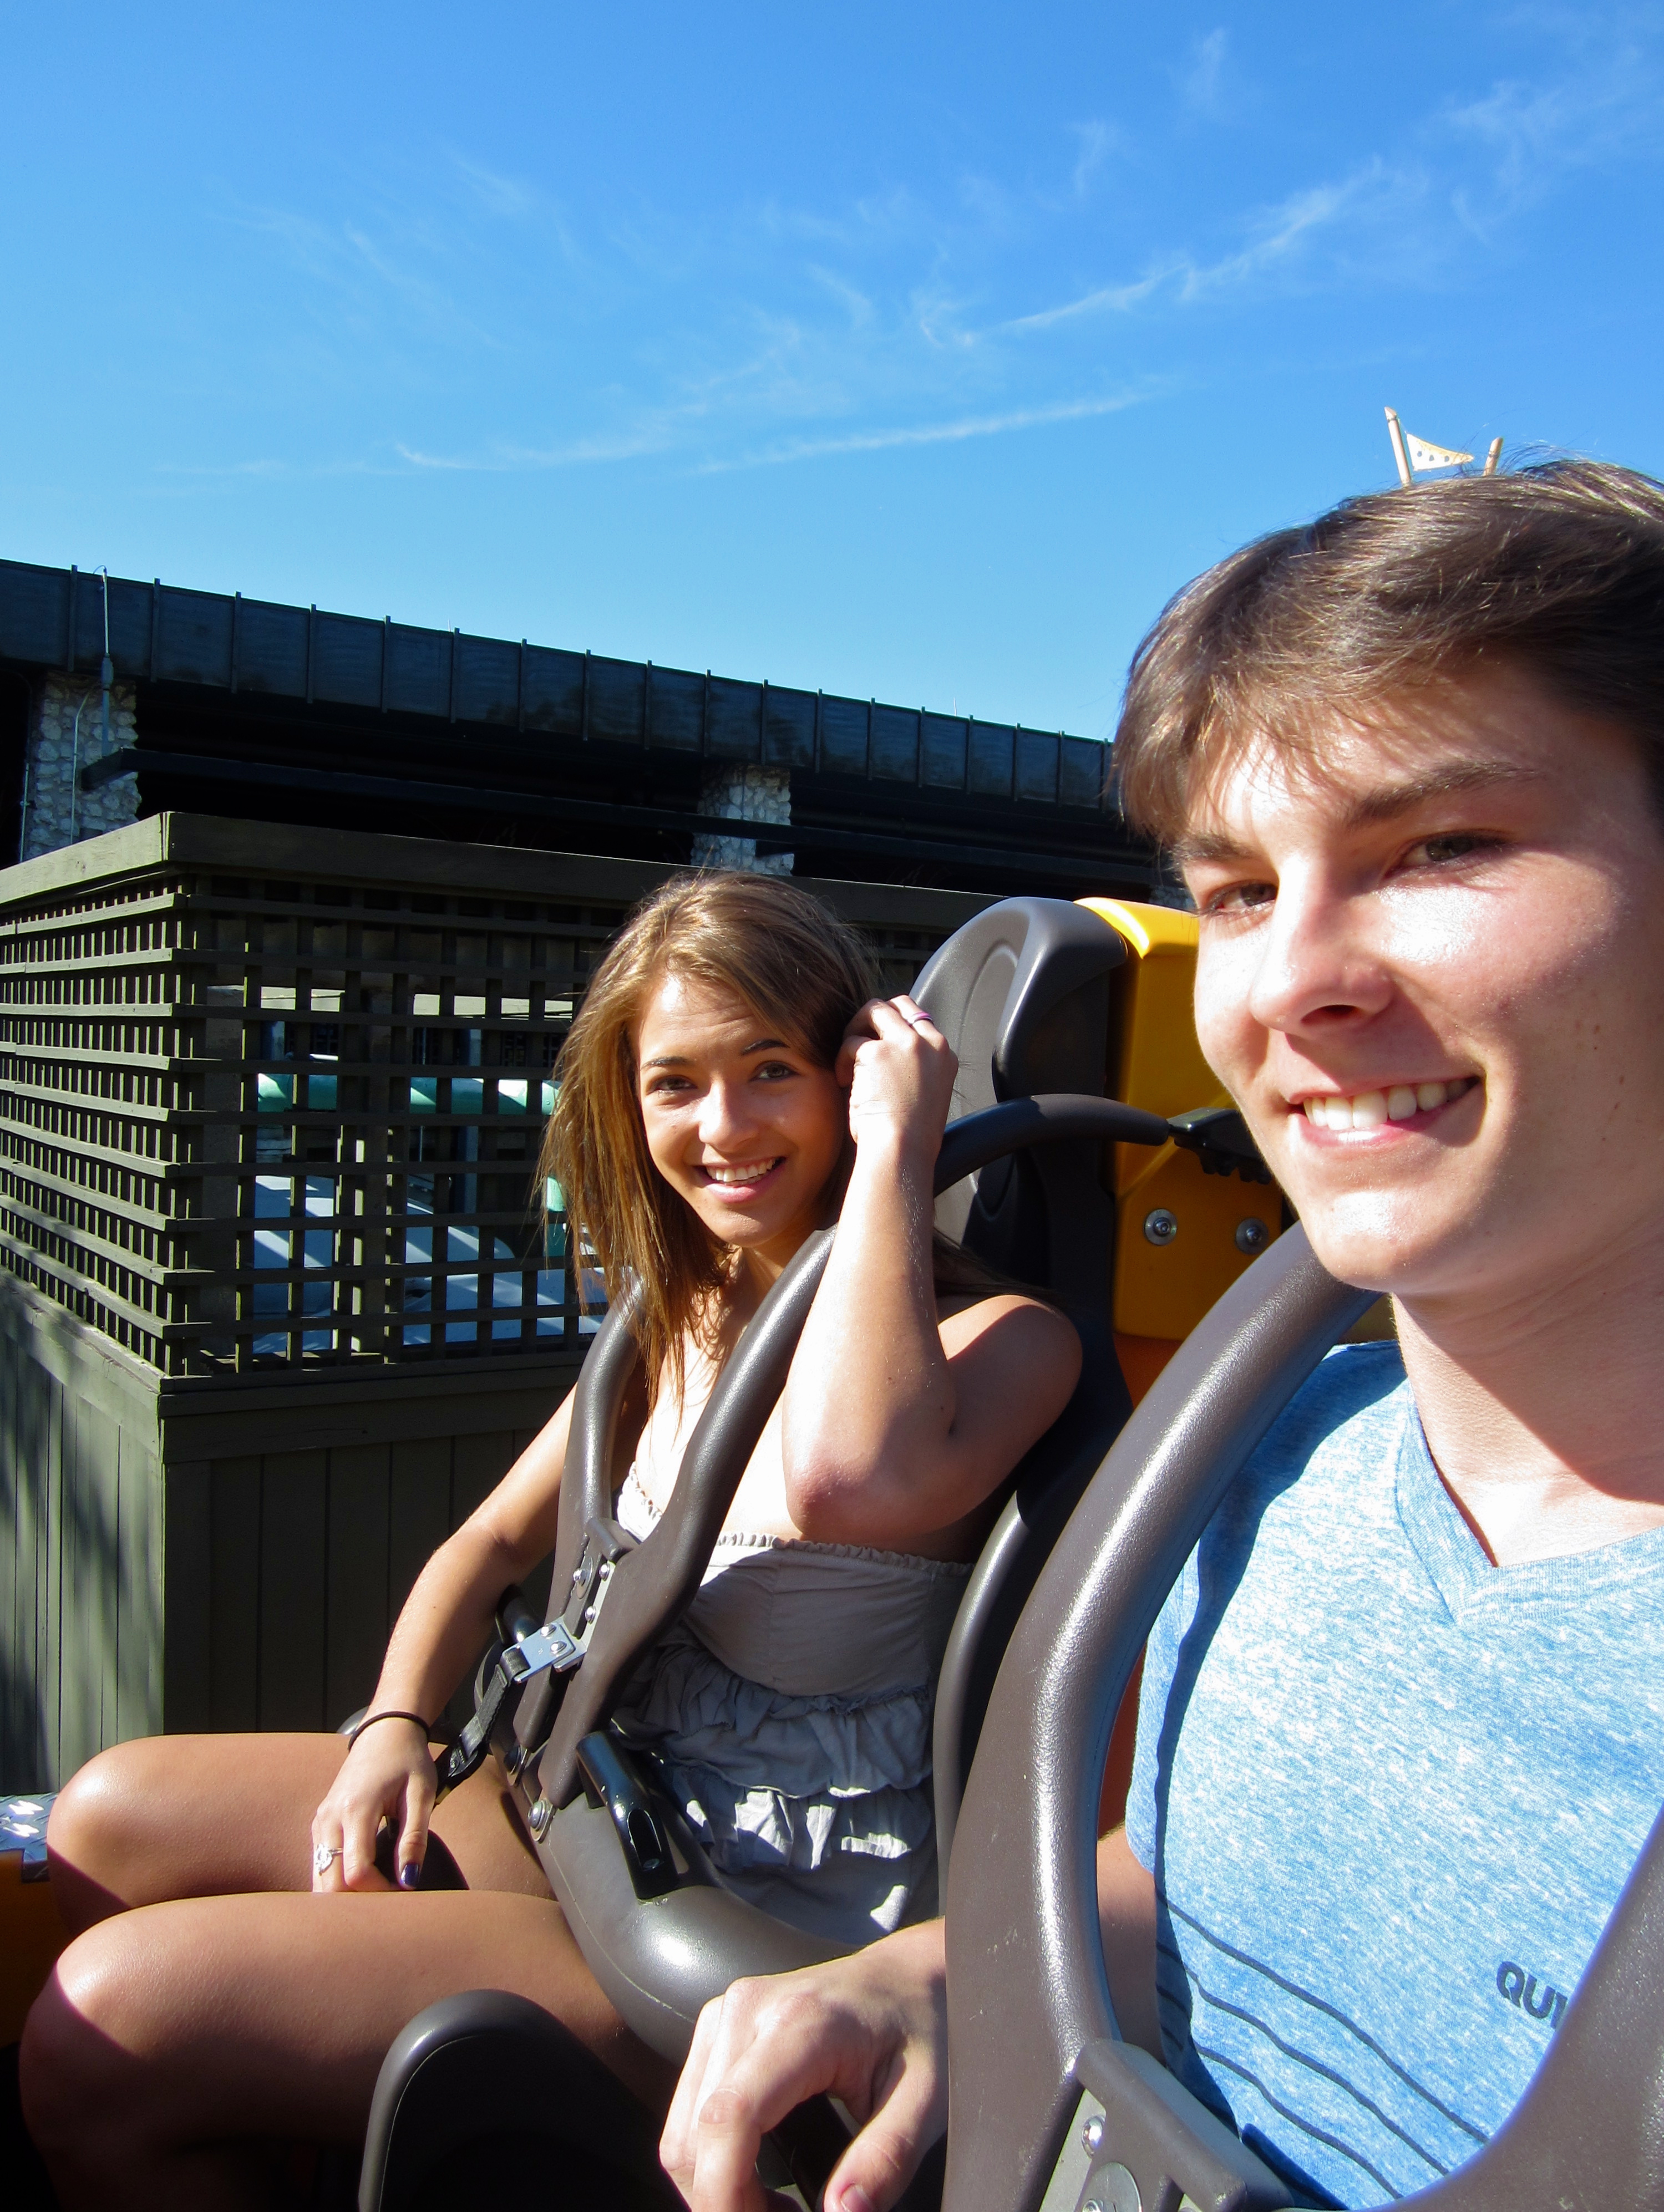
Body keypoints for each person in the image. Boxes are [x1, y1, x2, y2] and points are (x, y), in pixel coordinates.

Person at [659, 460, 1664, 2212]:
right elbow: (1199, 1901)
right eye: (1240, 891)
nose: (1287, 984)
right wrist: (926, 1980)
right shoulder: (1274, 1444)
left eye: (1441, 848)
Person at [19, 871, 1082, 2210]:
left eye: (770, 1068)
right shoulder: (676, 1317)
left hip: (731, 1925)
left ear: (854, 1074)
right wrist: (393, 1724)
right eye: (676, 1083)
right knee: (107, 1818)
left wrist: (900, 1156)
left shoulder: (1005, 1342)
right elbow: (486, 1542)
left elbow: (851, 1476)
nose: (724, 1126)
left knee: (101, 2031)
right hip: (587, 1798)